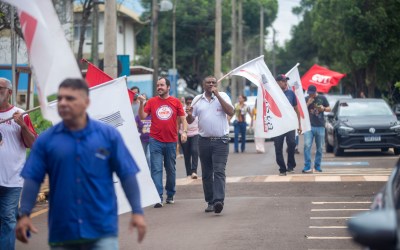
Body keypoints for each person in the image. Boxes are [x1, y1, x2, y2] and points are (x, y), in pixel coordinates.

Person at [15, 78, 146, 249]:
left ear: (86, 102)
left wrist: (137, 211)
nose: (63, 103)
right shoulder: (46, 141)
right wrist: (24, 213)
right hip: (63, 233)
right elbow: (33, 178)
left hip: (102, 230)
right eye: (60, 98)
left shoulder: (108, 136)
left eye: (70, 98)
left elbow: (127, 174)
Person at [186, 76, 234, 214]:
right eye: (208, 82)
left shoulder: (223, 96)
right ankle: (210, 201)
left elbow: (231, 112)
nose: (211, 84)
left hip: (221, 141)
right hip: (204, 141)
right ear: (203, 84)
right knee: (207, 173)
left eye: (214, 82)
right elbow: (190, 120)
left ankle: (219, 200)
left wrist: (218, 95)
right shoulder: (197, 100)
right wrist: (189, 114)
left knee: (219, 171)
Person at [138, 77, 187, 208]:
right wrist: (142, 103)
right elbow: (142, 116)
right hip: (155, 140)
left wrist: (185, 132)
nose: (159, 87)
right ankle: (157, 197)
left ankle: (170, 194)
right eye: (158, 85)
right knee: (156, 169)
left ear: (168, 87)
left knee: (170, 170)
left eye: (162, 85)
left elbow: (183, 119)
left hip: (171, 141)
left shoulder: (176, 102)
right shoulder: (152, 101)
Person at [0, 77, 37, 250]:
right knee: (7, 217)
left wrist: (22, 125)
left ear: (9, 92)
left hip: (12, 179)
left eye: (0, 88)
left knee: (7, 219)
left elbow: (33, 145)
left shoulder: (21, 114)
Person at [274, 74, 302, 176]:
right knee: (278, 147)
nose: (285, 82)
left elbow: (296, 110)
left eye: (286, 80)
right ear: (277, 82)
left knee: (292, 144)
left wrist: (299, 125)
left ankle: (291, 165)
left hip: (290, 124)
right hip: (278, 125)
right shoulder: (273, 94)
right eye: (283, 81)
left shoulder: (291, 93)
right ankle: (282, 169)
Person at [302, 84, 331, 173]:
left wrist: (324, 109)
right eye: (309, 93)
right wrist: (308, 103)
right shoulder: (306, 99)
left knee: (320, 147)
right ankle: (307, 166)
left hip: (320, 126)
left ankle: (317, 166)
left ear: (315, 92)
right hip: (308, 126)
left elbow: (329, 108)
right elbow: (301, 110)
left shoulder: (322, 98)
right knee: (307, 145)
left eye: (312, 93)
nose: (311, 95)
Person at [179, 96, 199, 179]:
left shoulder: (197, 110)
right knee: (186, 154)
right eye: (188, 102)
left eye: (191, 102)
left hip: (195, 133)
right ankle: (188, 173)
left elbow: (194, 120)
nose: (189, 104)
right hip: (184, 134)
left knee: (195, 150)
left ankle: (194, 171)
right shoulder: (182, 110)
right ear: (185, 102)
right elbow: (180, 122)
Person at [135, 100, 151, 168]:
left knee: (149, 156)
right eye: (146, 106)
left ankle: (151, 174)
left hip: (151, 140)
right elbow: (135, 126)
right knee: (143, 158)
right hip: (142, 140)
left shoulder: (153, 115)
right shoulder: (138, 116)